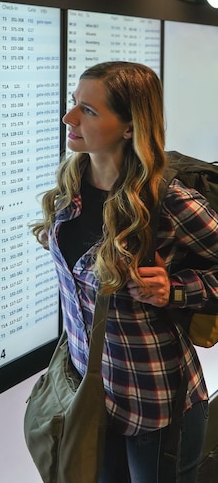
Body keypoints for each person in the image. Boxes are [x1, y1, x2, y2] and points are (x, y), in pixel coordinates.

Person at [32, 61, 218, 482]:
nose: (70, 118)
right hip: (91, 395)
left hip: (153, 404)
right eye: (73, 104)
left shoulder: (167, 199)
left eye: (89, 111)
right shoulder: (72, 183)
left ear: (130, 127)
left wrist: (175, 290)